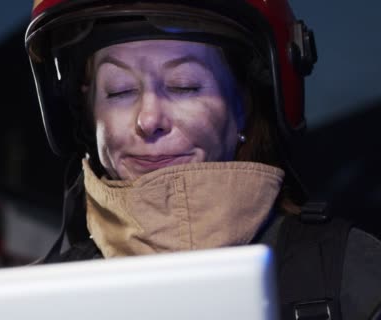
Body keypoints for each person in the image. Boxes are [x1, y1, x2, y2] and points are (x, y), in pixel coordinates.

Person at [24, 0, 381, 319]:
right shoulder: (32, 303)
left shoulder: (355, 277)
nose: (148, 120)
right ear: (87, 115)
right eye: (119, 91)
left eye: (184, 86)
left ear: (244, 105)